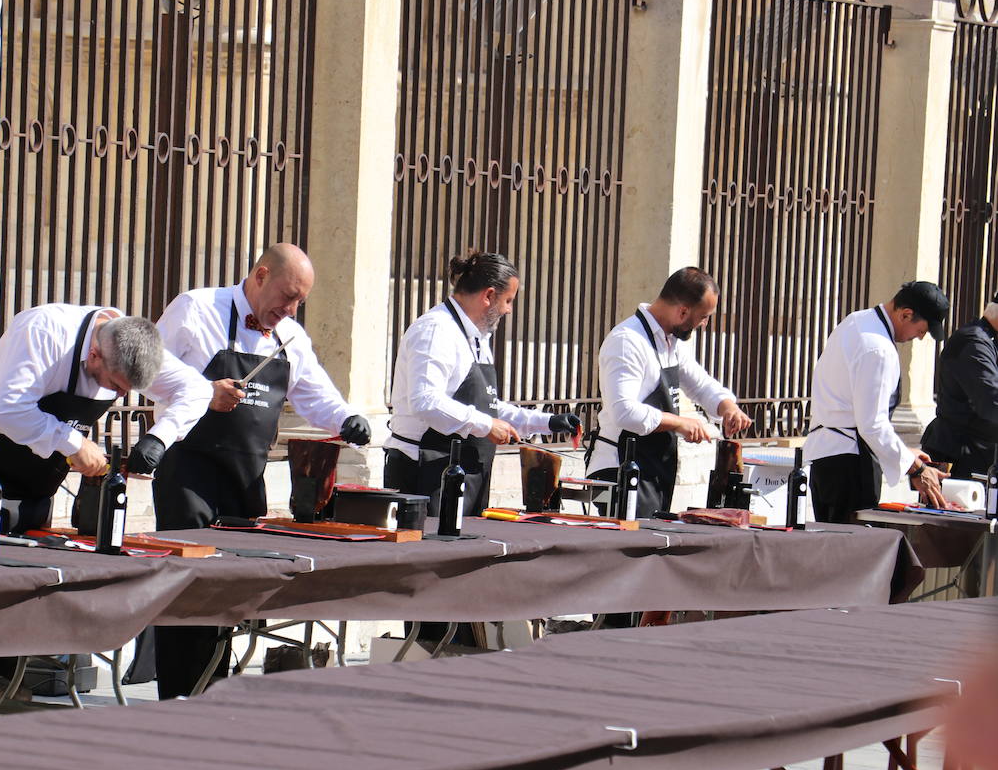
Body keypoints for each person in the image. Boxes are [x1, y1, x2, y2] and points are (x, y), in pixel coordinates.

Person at [149, 242, 371, 699]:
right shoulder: (196, 308)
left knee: (230, 594)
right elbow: (147, 372)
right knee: (189, 591)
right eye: (286, 296)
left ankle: (216, 692)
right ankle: (177, 698)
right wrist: (203, 390)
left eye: (299, 303)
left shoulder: (290, 337)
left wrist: (347, 419)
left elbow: (314, 394)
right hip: (189, 471)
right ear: (260, 274)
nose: (289, 309)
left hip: (246, 477)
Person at [0, 304, 216, 540]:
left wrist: (159, 437)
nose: (120, 395)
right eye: (116, 386)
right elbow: (7, 410)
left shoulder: (133, 343)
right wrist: (74, 443)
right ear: (94, 355)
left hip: (36, 484)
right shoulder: (44, 332)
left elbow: (198, 390)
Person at [384, 251, 580, 517]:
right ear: (488, 296)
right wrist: (486, 425)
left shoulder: (476, 339)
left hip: (465, 473)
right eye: (508, 300)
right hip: (424, 471)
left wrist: (547, 422)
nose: (509, 310)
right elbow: (425, 400)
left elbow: (486, 406)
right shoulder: (436, 330)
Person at [587, 267, 752, 518]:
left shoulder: (670, 342)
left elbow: (699, 383)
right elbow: (624, 411)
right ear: (683, 311)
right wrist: (680, 423)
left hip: (653, 470)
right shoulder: (628, 340)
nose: (704, 324)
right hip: (620, 469)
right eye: (704, 316)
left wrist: (727, 406)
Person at [804, 282, 950, 523]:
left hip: (826, 458)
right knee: (853, 554)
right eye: (923, 330)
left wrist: (905, 453)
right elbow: (872, 425)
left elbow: (854, 412)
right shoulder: (879, 348)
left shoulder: (856, 321)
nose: (921, 337)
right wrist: (915, 469)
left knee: (830, 552)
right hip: (850, 465)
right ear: (906, 314)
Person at [920, 293, 998, 480]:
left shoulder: (988, 340)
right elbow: (991, 402)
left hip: (978, 453)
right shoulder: (974, 342)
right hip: (960, 456)